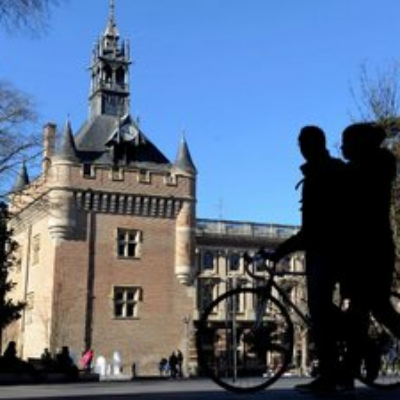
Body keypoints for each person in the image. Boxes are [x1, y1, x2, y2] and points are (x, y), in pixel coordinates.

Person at [267, 125, 346, 393]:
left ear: (313, 144)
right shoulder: (323, 171)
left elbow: (312, 229)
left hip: (328, 251)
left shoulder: (320, 175)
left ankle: (330, 375)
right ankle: (343, 363)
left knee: (320, 312)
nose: (300, 147)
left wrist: (280, 251)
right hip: (326, 250)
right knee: (322, 311)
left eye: (303, 142)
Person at [339, 122, 400, 383]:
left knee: (372, 308)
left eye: (346, 142)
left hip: (369, 250)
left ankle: (356, 364)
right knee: (364, 310)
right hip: (368, 249)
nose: (342, 148)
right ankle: (352, 367)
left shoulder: (365, 169)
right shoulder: (375, 166)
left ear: (360, 144)